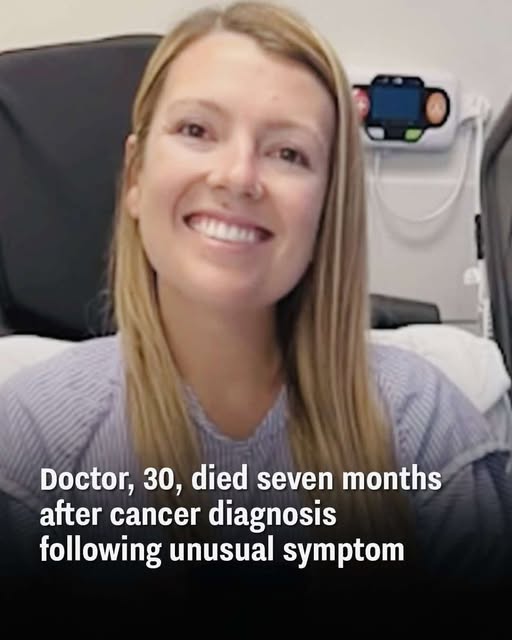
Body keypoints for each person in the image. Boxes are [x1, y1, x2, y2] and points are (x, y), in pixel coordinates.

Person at [0, 1, 511, 604]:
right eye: (197, 131)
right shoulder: (29, 440)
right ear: (135, 176)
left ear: (327, 210)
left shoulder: (424, 426)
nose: (239, 176)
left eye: (289, 153)